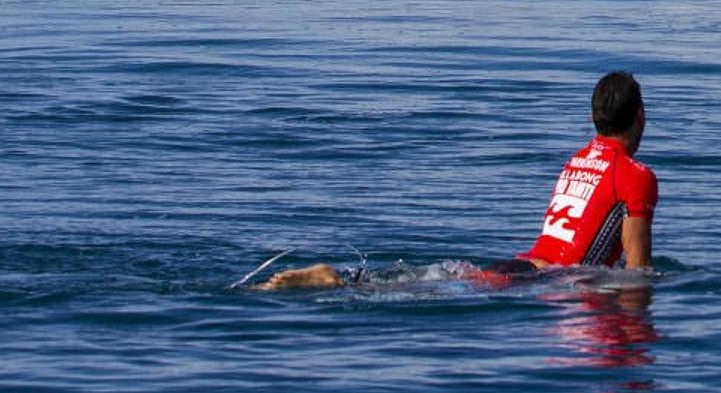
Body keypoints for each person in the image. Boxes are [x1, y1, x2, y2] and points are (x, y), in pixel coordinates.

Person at [256, 71, 657, 290]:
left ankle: (344, 280)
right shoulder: (636, 176)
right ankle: (337, 282)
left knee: (431, 282)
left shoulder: (578, 160)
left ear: (594, 118)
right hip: (547, 280)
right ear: (639, 115)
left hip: (522, 265)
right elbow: (637, 272)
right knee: (428, 290)